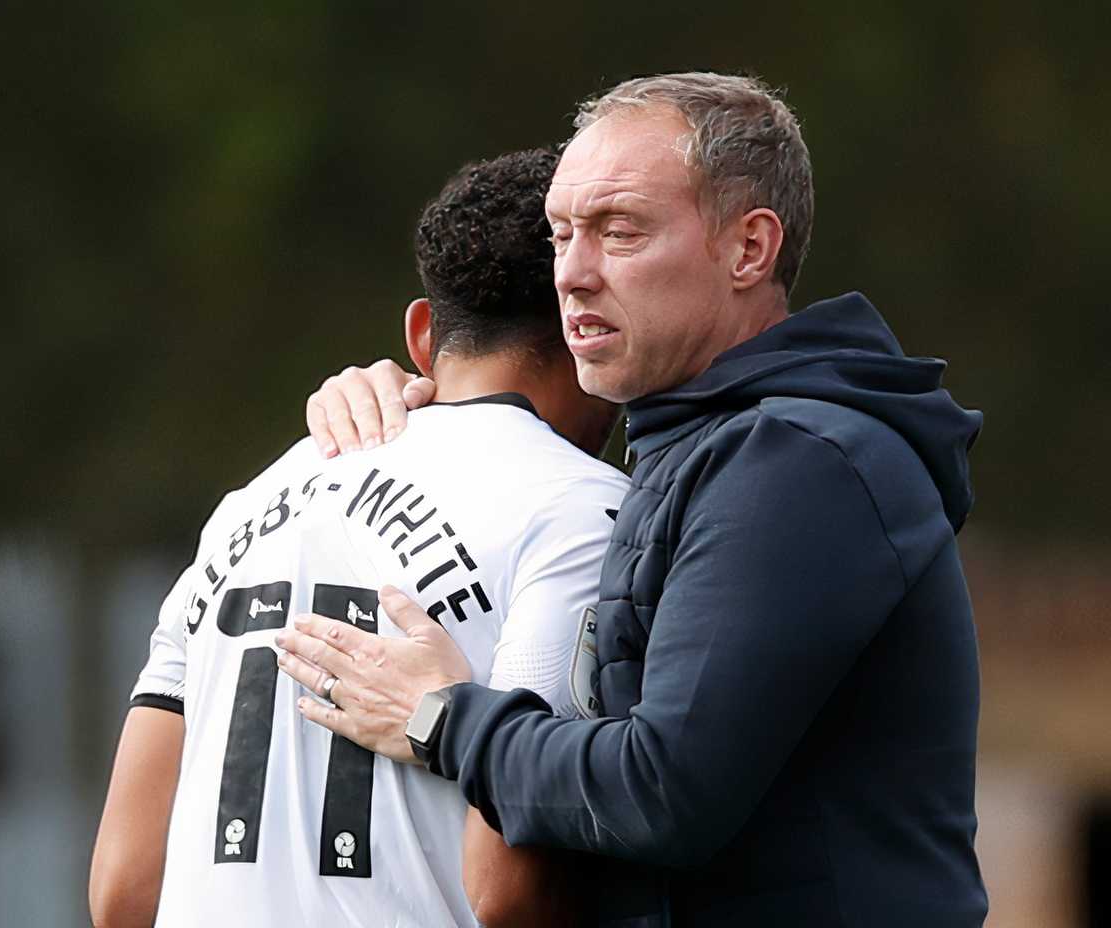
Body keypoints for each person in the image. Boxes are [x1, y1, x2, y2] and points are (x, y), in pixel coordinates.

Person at [277, 72, 988, 926]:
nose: (570, 276)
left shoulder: (797, 459)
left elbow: (662, 790)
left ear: (749, 249)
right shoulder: (702, 443)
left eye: (620, 232)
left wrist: (439, 718)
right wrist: (425, 403)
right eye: (560, 234)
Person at [88, 148, 631, 928]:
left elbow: (123, 891)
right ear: (587, 324)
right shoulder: (581, 511)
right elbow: (513, 891)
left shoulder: (249, 503)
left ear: (421, 333)